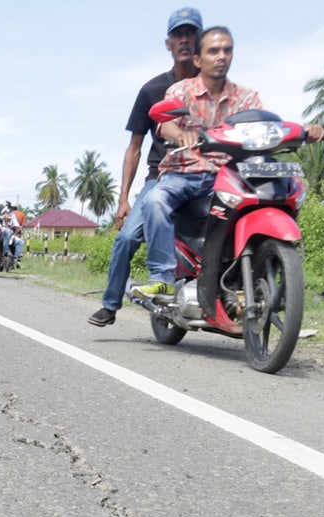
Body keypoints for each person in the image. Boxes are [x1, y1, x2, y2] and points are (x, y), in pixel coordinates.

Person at [132, 26, 324, 305]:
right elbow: (166, 125)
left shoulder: (247, 98)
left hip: (229, 174)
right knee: (155, 202)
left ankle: (248, 273)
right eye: (213, 51)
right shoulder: (181, 90)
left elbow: (269, 126)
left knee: (268, 199)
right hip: (183, 172)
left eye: (227, 50)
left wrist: (308, 131)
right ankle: (162, 277)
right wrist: (181, 134)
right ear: (198, 60)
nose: (221, 56)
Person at [90, 7, 201, 327]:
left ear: (200, 39)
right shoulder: (152, 90)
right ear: (168, 43)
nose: (184, 40)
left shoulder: (214, 88)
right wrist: (124, 199)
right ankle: (110, 304)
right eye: (178, 34)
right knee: (126, 239)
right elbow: (135, 148)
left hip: (206, 174)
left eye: (191, 33)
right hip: (162, 177)